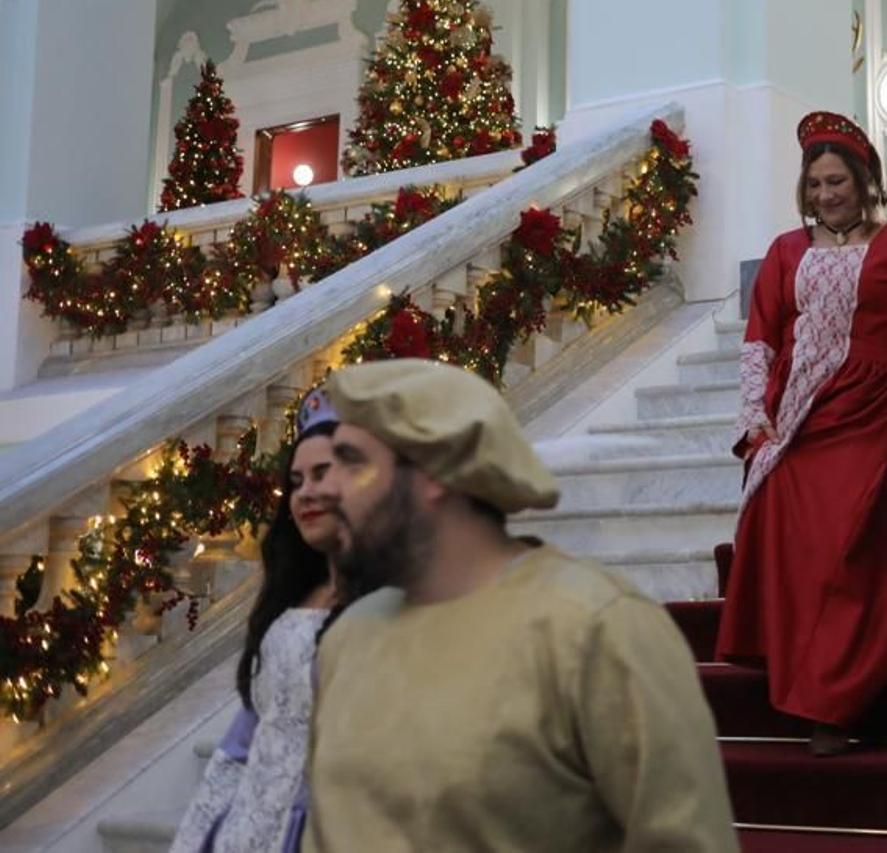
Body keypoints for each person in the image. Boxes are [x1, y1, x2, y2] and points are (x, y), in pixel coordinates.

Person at [304, 358, 736, 853]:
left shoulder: (597, 627)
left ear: (435, 470)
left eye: (352, 461)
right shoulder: (349, 635)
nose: (325, 489)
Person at [716, 111, 887, 758]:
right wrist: (755, 414)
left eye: (836, 181)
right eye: (814, 184)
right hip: (799, 416)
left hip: (873, 412)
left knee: (847, 548)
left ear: (864, 180)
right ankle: (797, 669)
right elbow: (761, 338)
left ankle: (834, 698)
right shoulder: (785, 251)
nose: (825, 194)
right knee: (788, 530)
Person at [171, 390, 349, 853]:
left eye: (322, 473)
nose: (305, 493)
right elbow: (245, 739)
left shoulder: (397, 601)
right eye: (297, 480)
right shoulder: (292, 599)